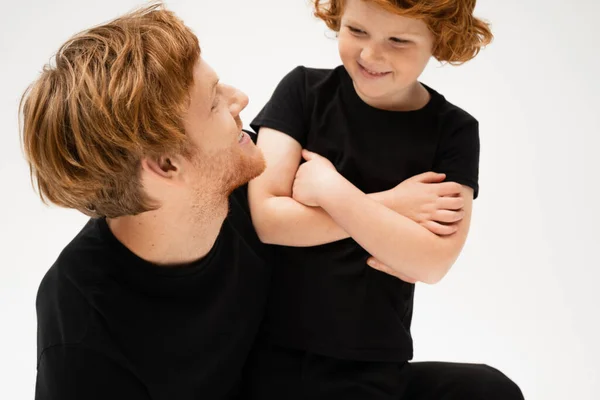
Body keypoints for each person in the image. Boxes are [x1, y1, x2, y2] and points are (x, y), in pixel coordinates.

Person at [245, 0, 525, 399]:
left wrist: (330, 189)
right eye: (356, 31)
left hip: (372, 360)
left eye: (398, 40)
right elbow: (269, 220)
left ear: (439, 39)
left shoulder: (454, 130)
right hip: (273, 351)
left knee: (490, 390)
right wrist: (395, 205)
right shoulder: (303, 92)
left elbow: (430, 262)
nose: (370, 54)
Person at [21, 4, 270, 399]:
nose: (240, 98)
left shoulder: (247, 179)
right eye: (214, 103)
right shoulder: (82, 337)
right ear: (167, 165)